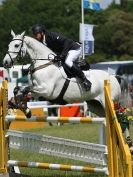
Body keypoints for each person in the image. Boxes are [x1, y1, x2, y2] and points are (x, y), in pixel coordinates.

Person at [32, 23, 92, 91]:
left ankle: (84, 80)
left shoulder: (51, 36)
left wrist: (62, 55)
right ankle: (78, 65)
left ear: (42, 33)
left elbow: (67, 41)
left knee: (68, 61)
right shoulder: (42, 41)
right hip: (65, 51)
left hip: (74, 48)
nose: (35, 36)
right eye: (34, 35)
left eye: (36, 34)